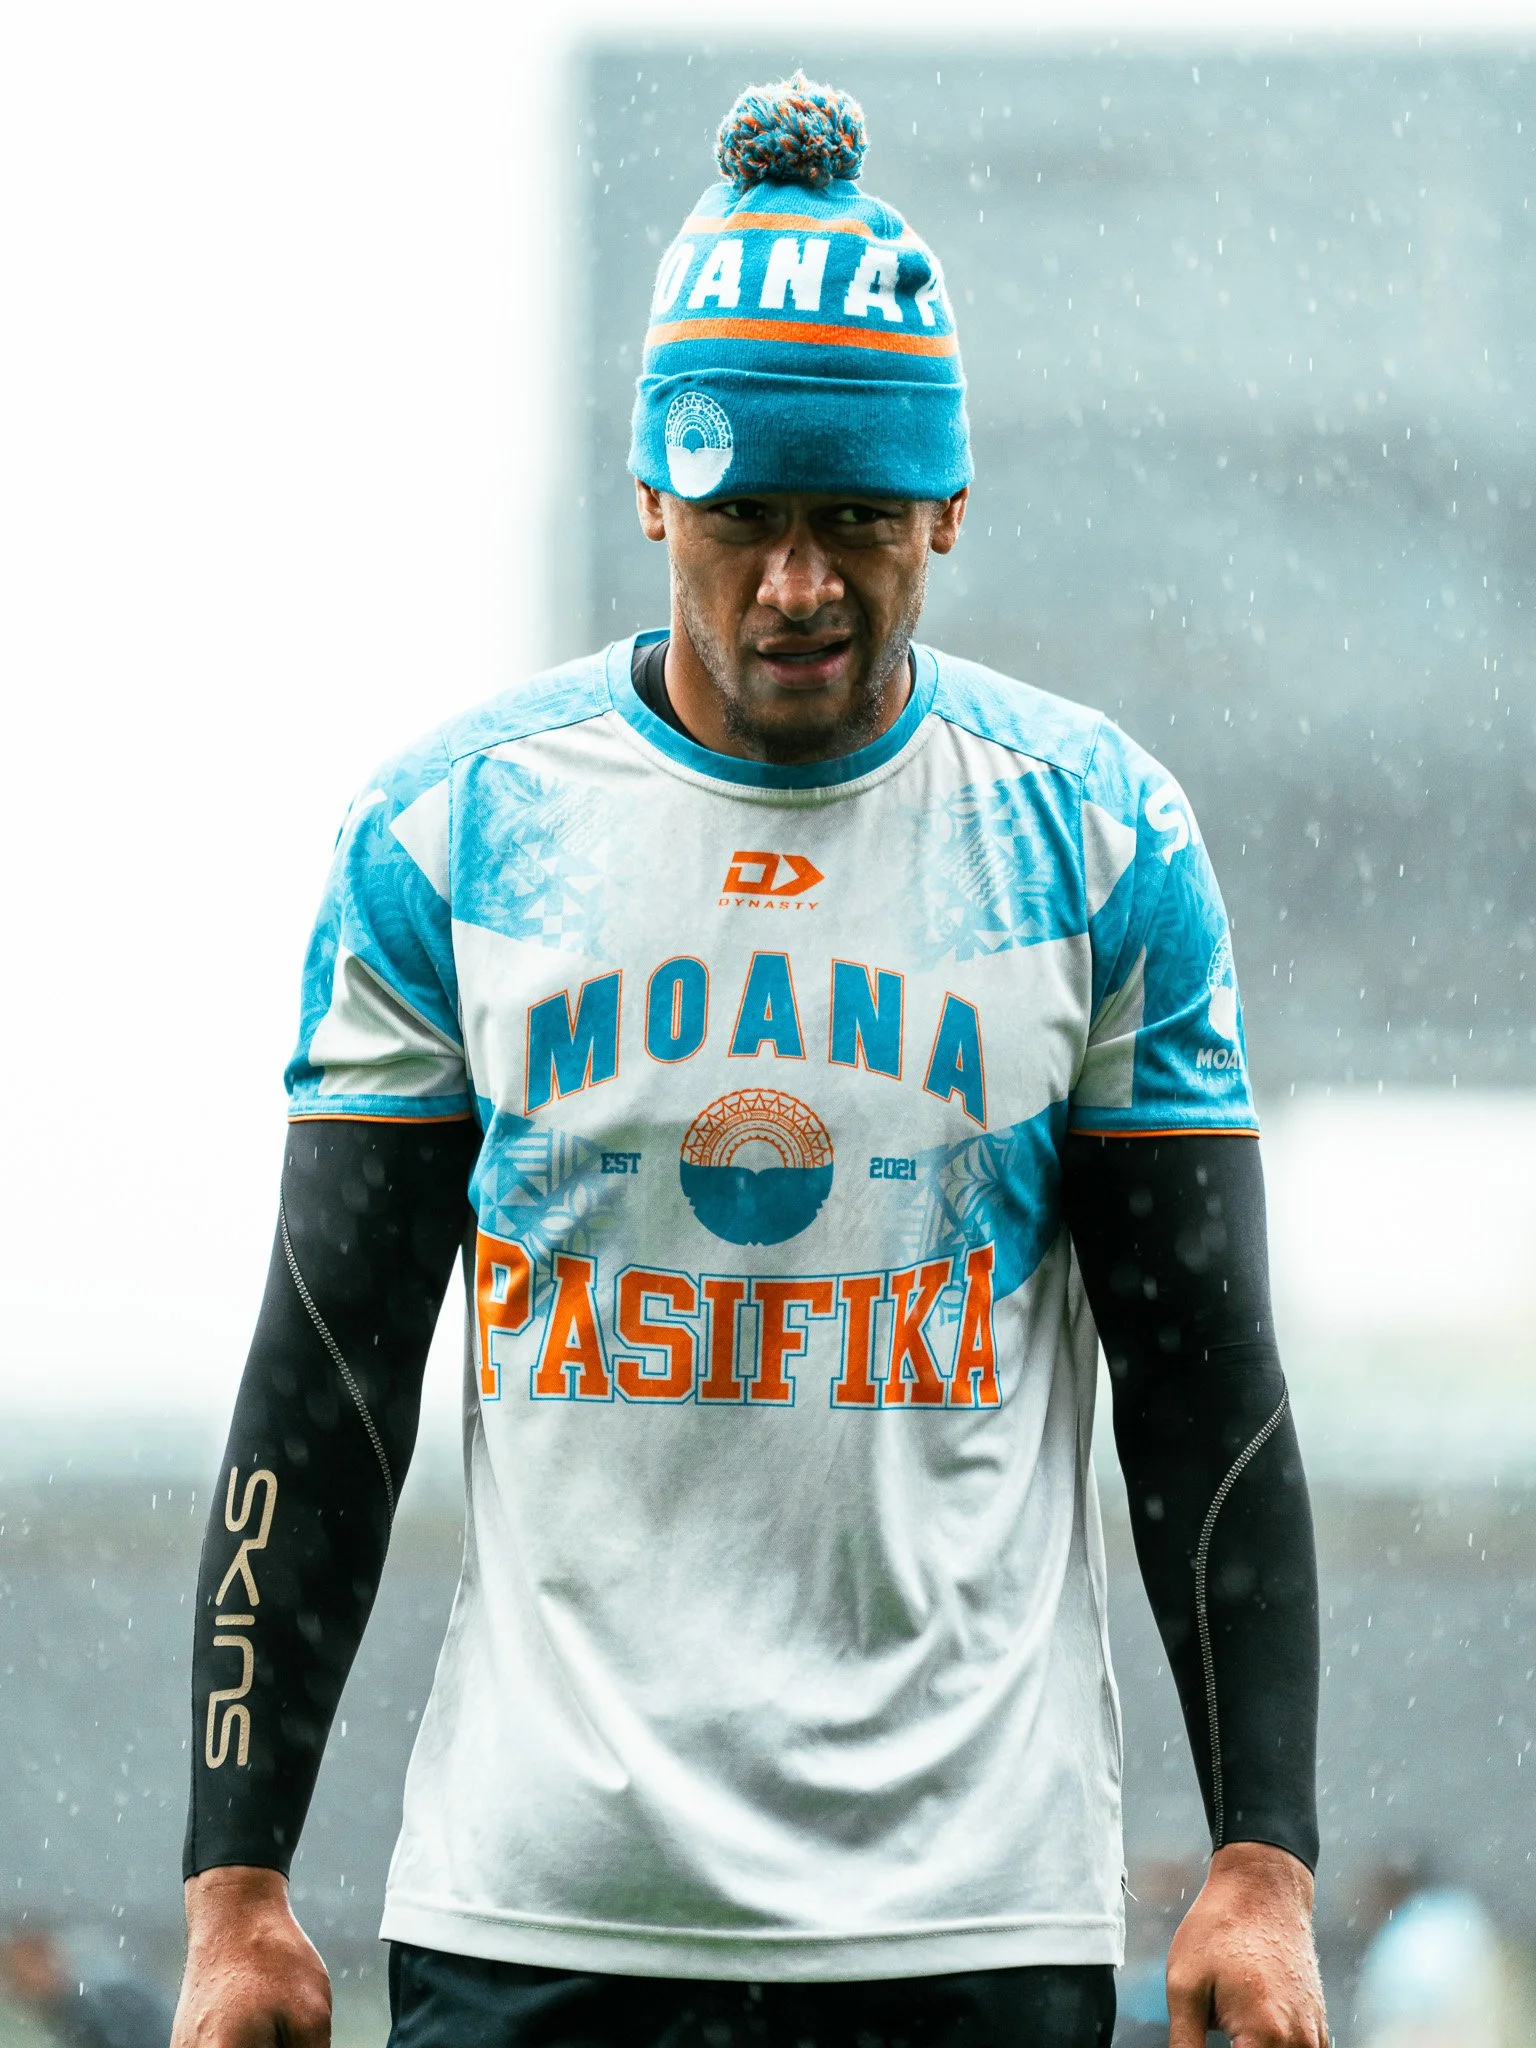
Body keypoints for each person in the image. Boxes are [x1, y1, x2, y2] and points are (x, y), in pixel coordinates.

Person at [173, 74, 1327, 2048]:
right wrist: (237, 1883)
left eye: (855, 521)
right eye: (742, 519)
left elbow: (1207, 1388)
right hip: (545, 1912)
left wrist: (1262, 1860)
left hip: (967, 1923)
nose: (797, 584)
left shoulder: (1095, 835)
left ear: (947, 506)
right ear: (652, 498)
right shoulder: (453, 842)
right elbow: (329, 1377)